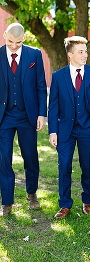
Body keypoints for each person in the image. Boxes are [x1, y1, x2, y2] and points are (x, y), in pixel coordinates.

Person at [48, 36, 90, 219]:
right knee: (64, 166)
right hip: (65, 129)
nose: (85, 55)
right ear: (70, 55)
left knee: (87, 165)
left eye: (85, 51)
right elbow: (54, 106)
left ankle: (87, 199)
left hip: (88, 128)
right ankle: (65, 204)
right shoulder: (58, 76)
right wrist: (53, 131)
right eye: (81, 52)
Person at [0, 23, 47, 217]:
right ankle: (7, 202)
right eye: (10, 41)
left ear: (24, 39)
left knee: (30, 156)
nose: (13, 46)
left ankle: (31, 192)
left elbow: (41, 86)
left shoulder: (34, 55)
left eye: (17, 42)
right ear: (4, 36)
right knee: (3, 158)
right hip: (5, 116)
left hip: (28, 115)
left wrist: (41, 114)